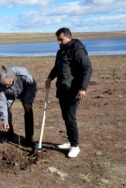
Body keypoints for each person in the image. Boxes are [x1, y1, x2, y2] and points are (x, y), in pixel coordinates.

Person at [45, 27, 93, 158]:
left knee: (70, 117)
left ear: (69, 37)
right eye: (58, 40)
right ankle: (70, 140)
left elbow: (87, 69)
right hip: (62, 90)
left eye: (61, 39)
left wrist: (83, 88)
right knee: (66, 117)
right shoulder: (61, 52)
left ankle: (75, 146)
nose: (59, 42)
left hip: (73, 91)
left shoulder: (77, 50)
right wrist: (50, 77)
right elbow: (57, 68)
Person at [0, 66, 36, 147]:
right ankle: (9, 134)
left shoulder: (23, 75)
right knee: (6, 110)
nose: (6, 87)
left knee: (28, 109)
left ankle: (29, 137)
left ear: (12, 78)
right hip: (8, 95)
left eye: (8, 84)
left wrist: (28, 101)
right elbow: (1, 103)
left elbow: (32, 85)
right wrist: (4, 120)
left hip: (24, 90)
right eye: (4, 85)